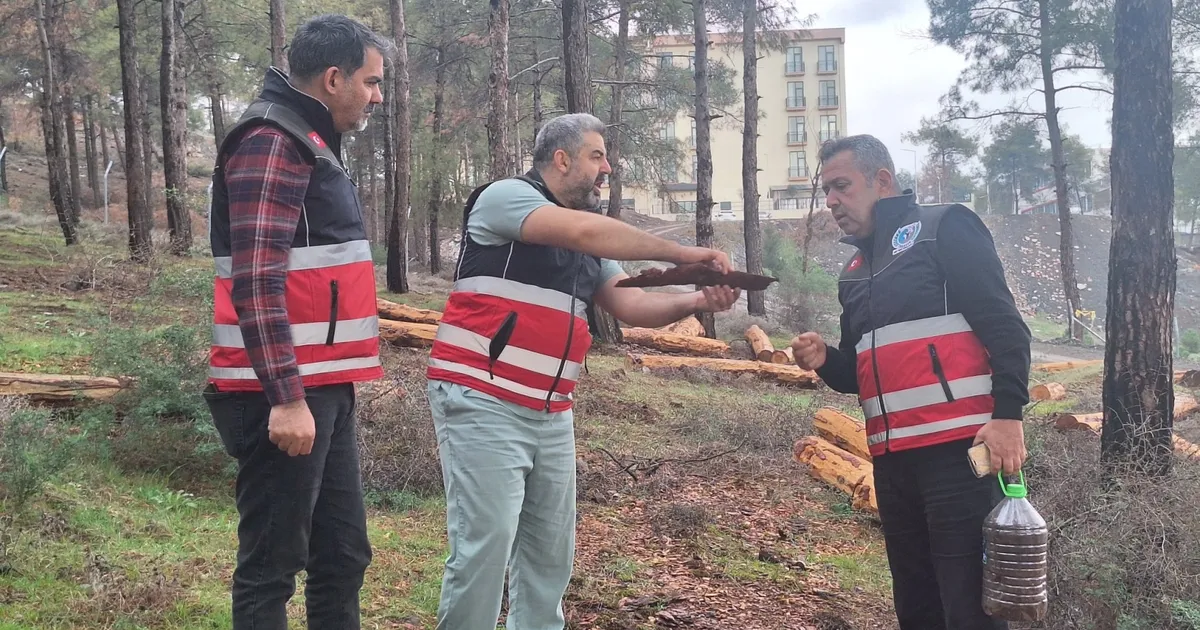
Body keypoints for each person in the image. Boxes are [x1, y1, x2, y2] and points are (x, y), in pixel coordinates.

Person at [426, 112, 740, 629]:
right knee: (485, 547)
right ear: (562, 159)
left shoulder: (588, 246)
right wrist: (683, 252)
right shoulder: (506, 198)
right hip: (481, 396)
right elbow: (583, 231)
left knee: (550, 555)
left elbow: (630, 305)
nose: (607, 168)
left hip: (551, 412)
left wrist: (696, 297)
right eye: (597, 156)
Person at [790, 135, 1031, 630]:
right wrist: (824, 359)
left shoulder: (945, 229)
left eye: (841, 186)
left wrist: (1008, 416)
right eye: (827, 190)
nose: (831, 201)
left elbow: (1006, 327)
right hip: (892, 464)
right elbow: (860, 375)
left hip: (958, 457)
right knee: (916, 606)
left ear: (882, 181)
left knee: (967, 608)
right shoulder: (854, 272)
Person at [201, 15, 390, 630]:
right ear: (333, 78)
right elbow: (257, 280)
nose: (376, 96)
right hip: (280, 394)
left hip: (323, 385)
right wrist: (286, 399)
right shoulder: (271, 138)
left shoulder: (309, 142)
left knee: (341, 555)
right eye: (370, 81)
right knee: (271, 566)